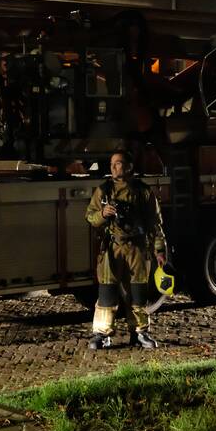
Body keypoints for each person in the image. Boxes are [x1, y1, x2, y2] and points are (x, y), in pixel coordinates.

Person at [85, 149, 167, 350]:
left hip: (137, 248)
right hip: (112, 248)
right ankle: (102, 334)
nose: (113, 167)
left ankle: (140, 333)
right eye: (112, 163)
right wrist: (103, 213)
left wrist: (159, 249)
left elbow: (155, 223)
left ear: (129, 167)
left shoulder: (143, 191)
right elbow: (90, 217)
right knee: (107, 292)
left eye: (118, 163)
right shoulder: (103, 191)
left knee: (138, 292)